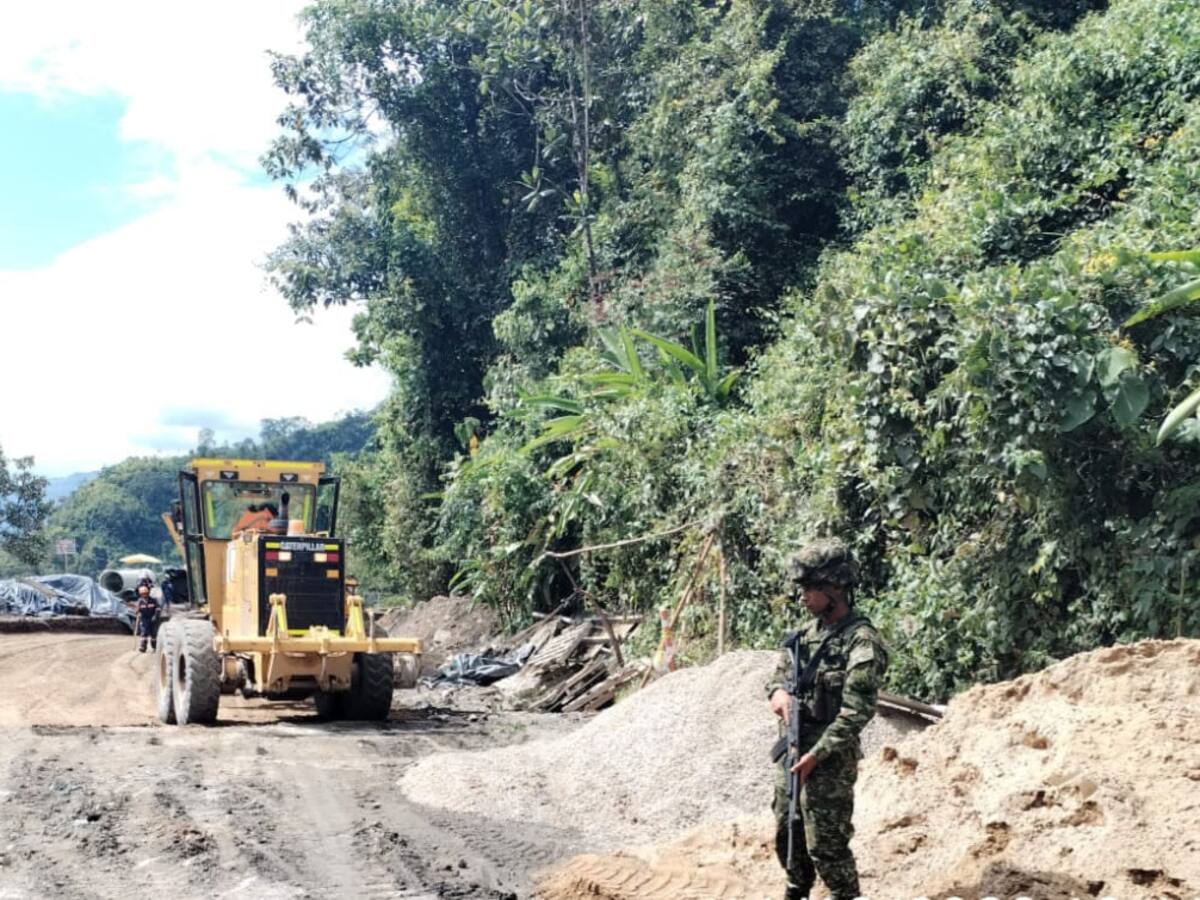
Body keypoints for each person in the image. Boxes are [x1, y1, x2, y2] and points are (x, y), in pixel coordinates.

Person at [766, 538, 889, 900]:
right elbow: (776, 679)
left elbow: (857, 711)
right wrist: (778, 695)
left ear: (836, 587)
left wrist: (816, 756)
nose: (803, 597)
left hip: (829, 759)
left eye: (810, 588)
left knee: (827, 844)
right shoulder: (803, 638)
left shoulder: (861, 641)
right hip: (793, 750)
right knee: (788, 833)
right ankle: (796, 889)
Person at [135, 582, 161, 653]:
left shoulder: (153, 600)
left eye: (145, 593)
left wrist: (155, 616)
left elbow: (158, 608)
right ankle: (143, 647)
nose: (144, 595)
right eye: (143, 594)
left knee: (153, 633)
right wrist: (138, 613)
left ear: (148, 593)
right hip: (144, 620)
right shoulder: (139, 602)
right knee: (144, 633)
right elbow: (137, 610)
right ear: (140, 594)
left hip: (153, 619)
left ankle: (155, 647)